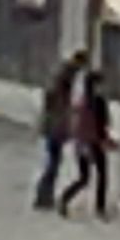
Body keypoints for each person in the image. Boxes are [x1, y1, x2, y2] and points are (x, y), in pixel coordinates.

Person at [32, 54, 83, 212]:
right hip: (55, 128)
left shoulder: (60, 77)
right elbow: (57, 104)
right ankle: (43, 195)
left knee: (53, 161)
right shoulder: (63, 80)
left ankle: (45, 195)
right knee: (53, 162)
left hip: (54, 126)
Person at [70, 65, 115, 219]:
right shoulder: (98, 102)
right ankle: (100, 208)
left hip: (82, 142)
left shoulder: (82, 102)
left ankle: (65, 198)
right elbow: (101, 125)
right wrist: (105, 140)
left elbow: (78, 124)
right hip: (94, 143)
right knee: (101, 176)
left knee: (84, 178)